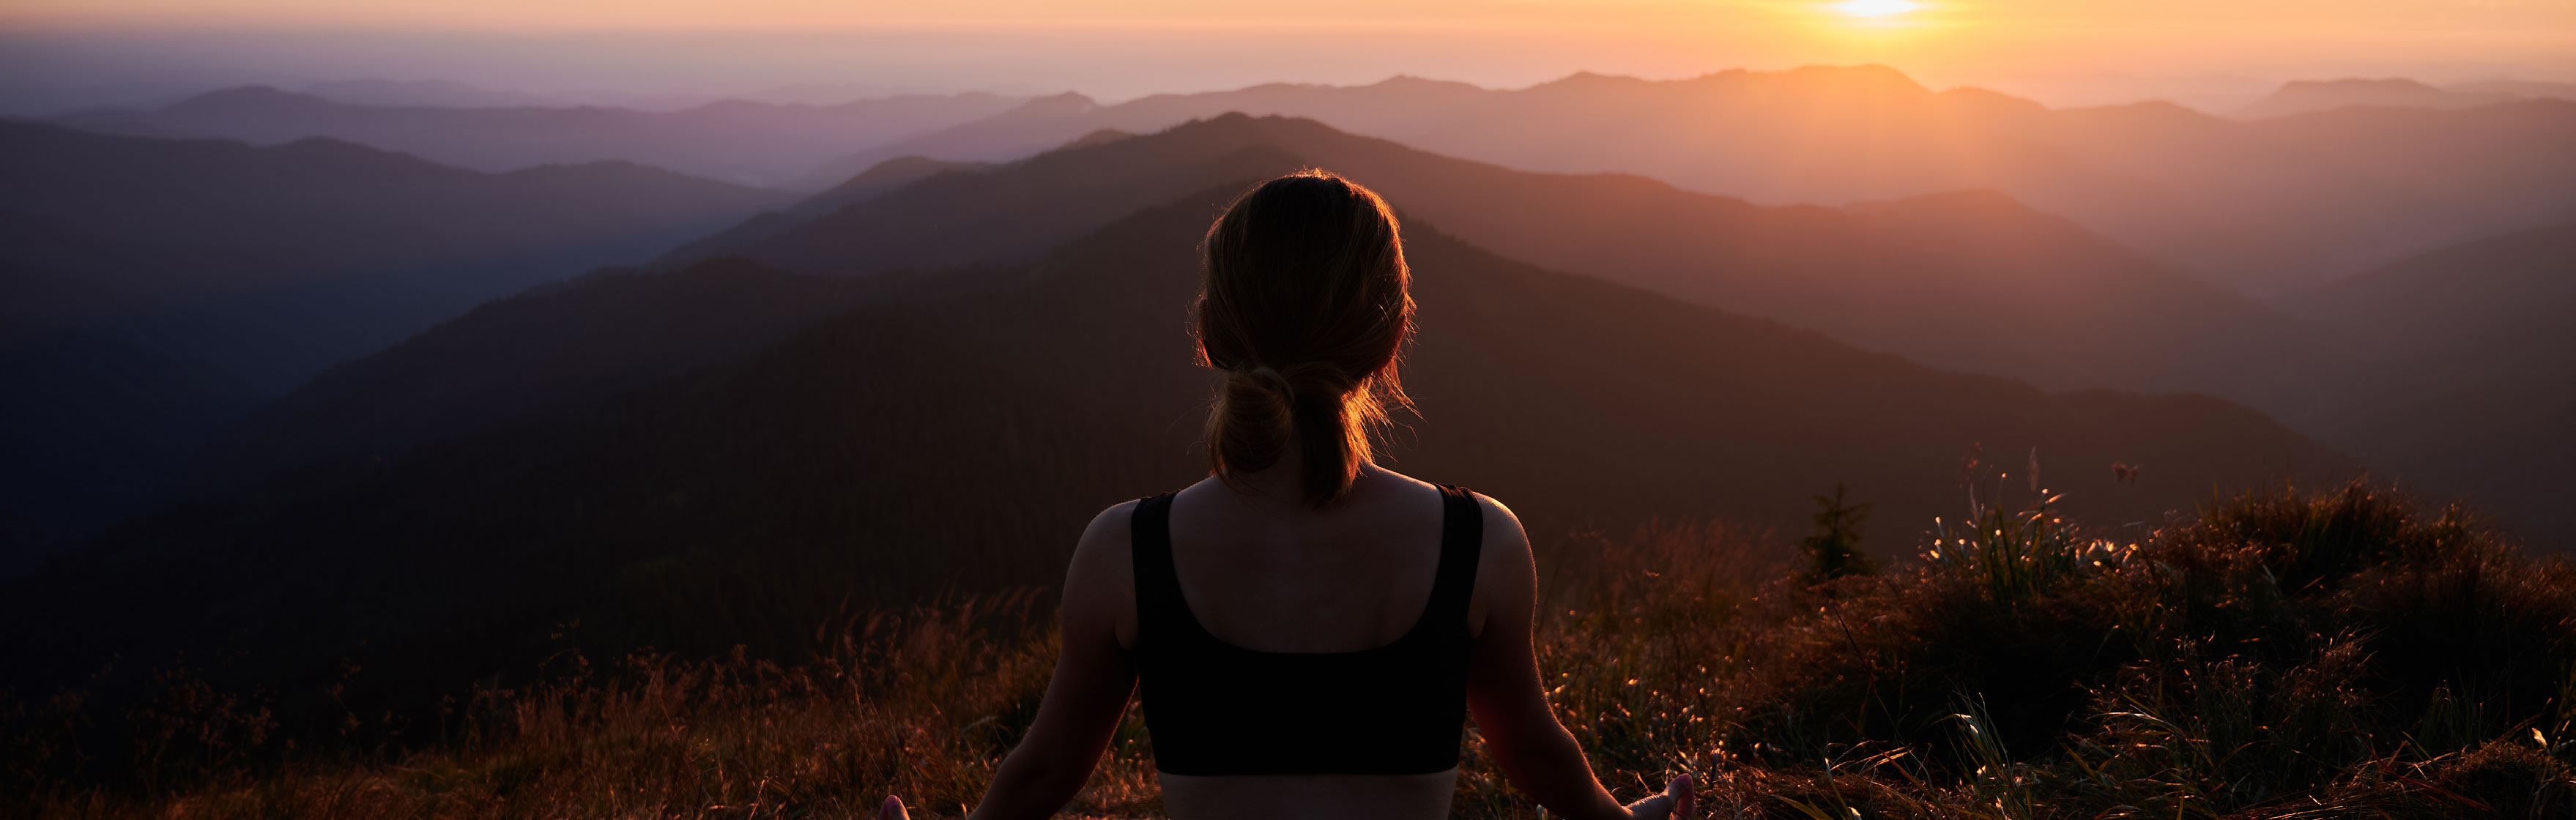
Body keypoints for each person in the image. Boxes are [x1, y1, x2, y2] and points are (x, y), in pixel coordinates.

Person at [885, 171, 1693, 820]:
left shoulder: (1124, 551)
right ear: (1389, 340)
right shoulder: (1478, 542)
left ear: (1207, 330)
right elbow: (1531, 748)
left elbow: (1045, 771)